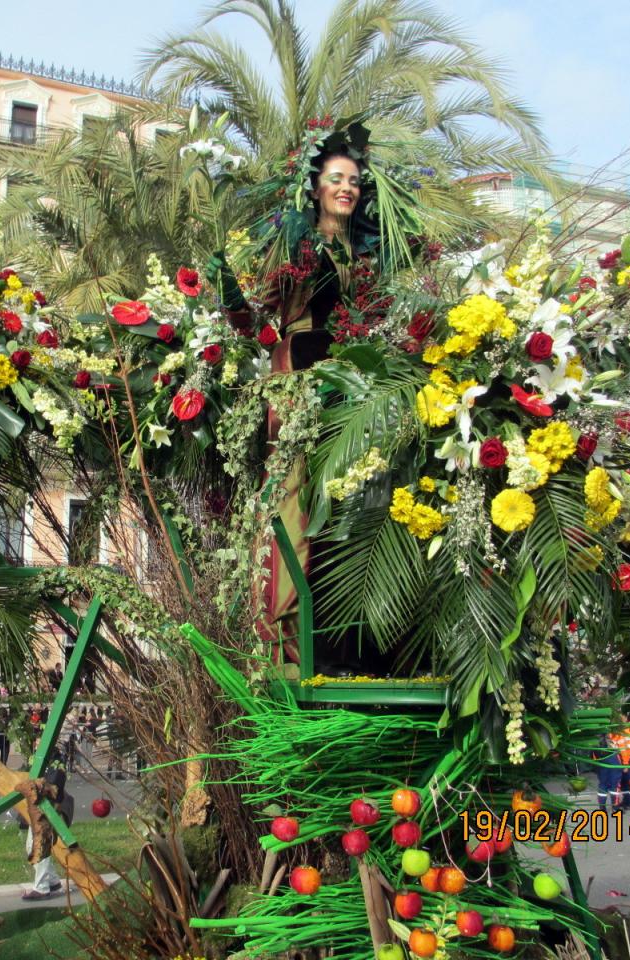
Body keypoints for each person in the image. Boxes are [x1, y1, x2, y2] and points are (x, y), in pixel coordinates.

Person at [208, 122, 392, 663]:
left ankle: (355, 640)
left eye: (354, 180)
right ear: (314, 187)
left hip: (356, 384)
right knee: (296, 494)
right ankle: (287, 636)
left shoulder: (368, 256)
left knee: (359, 494)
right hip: (299, 379)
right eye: (336, 178)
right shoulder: (292, 244)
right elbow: (251, 319)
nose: (346, 188)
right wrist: (227, 287)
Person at [21, 754, 74, 901]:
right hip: (39, 809)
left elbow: (53, 787)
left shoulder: (56, 762)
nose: (37, 743)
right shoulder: (36, 758)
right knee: (31, 847)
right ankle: (53, 881)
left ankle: (41, 887)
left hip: (50, 809)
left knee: (39, 846)